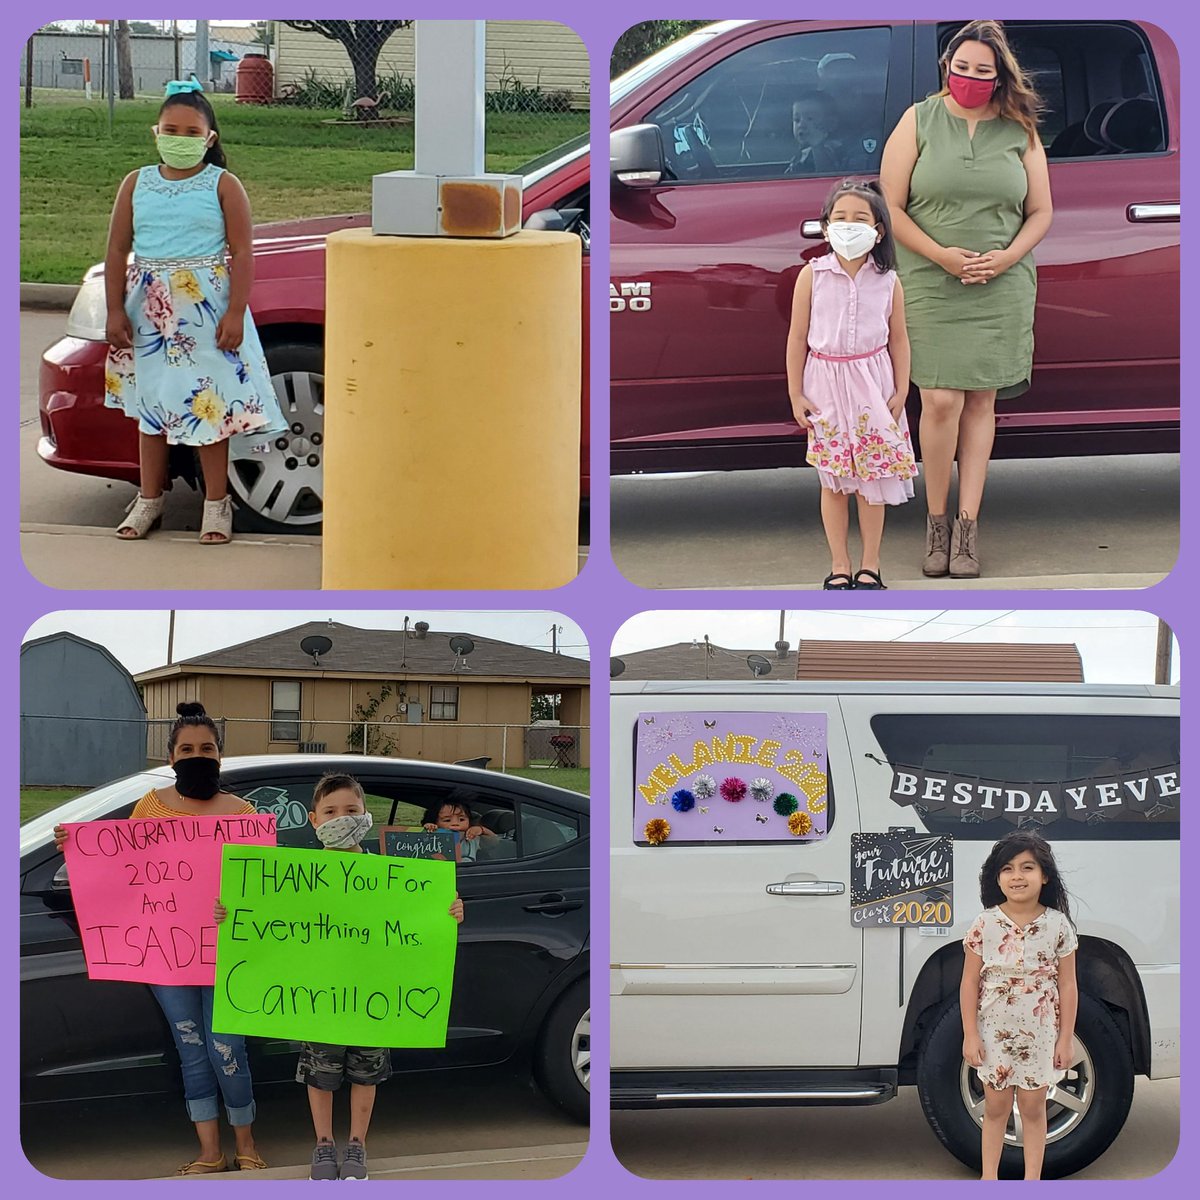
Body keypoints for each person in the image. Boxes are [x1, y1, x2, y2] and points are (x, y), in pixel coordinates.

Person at [55, 703, 267, 1175]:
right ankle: (210, 1152)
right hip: (166, 958)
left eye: (206, 748)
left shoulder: (246, 815)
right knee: (190, 1048)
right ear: (172, 757)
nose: (197, 755)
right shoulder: (150, 808)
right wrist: (75, 849)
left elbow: (264, 891)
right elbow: (123, 872)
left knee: (228, 1047)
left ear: (220, 755)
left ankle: (247, 1144)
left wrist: (237, 909)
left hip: (228, 956)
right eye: (187, 748)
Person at [223, 773, 463, 1181]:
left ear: (366, 816)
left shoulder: (388, 875)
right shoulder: (295, 874)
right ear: (314, 820)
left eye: (351, 810)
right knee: (319, 1073)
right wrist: (229, 915)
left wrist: (450, 911)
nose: (341, 818)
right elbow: (265, 920)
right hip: (318, 997)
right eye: (331, 812)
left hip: (372, 996)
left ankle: (356, 1145)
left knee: (365, 1072)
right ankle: (323, 1144)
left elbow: (417, 921)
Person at [880, 20, 1052, 578]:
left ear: (1000, 76)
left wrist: (1004, 258)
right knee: (939, 402)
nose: (971, 78)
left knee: (982, 401)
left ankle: (967, 528)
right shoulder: (919, 120)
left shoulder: (1019, 130)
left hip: (1000, 284)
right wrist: (943, 256)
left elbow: (1041, 212)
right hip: (931, 279)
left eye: (984, 71)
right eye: (962, 68)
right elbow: (891, 208)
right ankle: (935, 521)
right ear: (945, 67)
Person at [103, 79, 287, 545]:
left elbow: (243, 253)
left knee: (209, 406)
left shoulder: (223, 185)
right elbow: (117, 249)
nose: (179, 140)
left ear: (209, 138)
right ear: (155, 132)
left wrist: (235, 313)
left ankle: (216, 504)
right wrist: (114, 312)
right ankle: (149, 500)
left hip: (206, 309)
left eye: (191, 133)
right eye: (171, 130)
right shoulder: (135, 183)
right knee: (152, 405)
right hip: (148, 311)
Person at [786, 178, 916, 590]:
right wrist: (795, 393)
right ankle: (839, 564)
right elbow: (796, 337)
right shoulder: (812, 276)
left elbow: (899, 338)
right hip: (825, 385)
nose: (848, 225)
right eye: (840, 217)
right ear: (826, 226)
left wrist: (901, 389)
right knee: (835, 480)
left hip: (873, 385)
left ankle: (870, 565)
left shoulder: (889, 280)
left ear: (878, 230)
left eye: (860, 218)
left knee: (873, 481)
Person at [961, 832, 1078, 1181]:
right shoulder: (985, 923)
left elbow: (1068, 984)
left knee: (1033, 1106)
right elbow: (969, 982)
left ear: (1044, 875)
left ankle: (1032, 1181)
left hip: (1040, 1032)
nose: (1017, 876)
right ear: (997, 878)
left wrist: (1066, 1037)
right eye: (1008, 869)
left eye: (1028, 867)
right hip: (994, 1030)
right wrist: (970, 1034)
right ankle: (989, 1179)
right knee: (995, 1107)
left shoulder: (1058, 925)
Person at [785, 92, 846, 175]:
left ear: (831, 123)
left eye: (810, 119)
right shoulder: (802, 152)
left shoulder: (836, 150)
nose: (801, 125)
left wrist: (817, 146)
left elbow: (827, 176)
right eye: (797, 119)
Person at [422, 799, 497, 864]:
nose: (455, 823)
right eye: (447, 820)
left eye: (461, 819)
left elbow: (494, 841)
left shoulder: (471, 838)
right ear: (436, 823)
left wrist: (482, 830)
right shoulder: (433, 839)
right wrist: (429, 829)